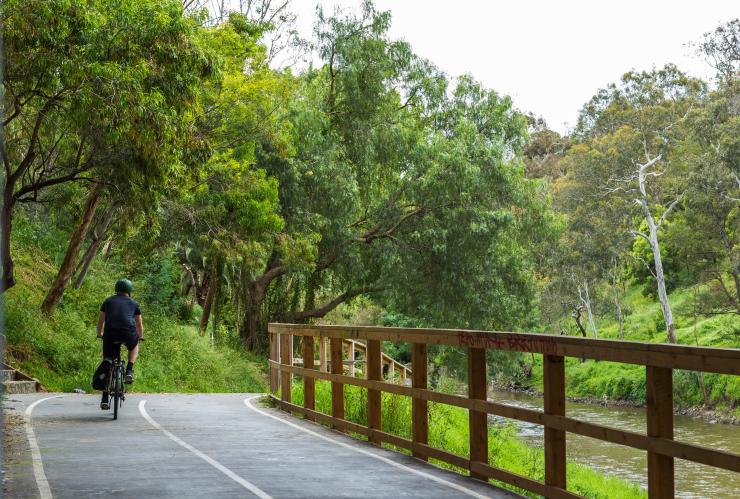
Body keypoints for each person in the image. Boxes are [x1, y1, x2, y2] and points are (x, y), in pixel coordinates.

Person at [92, 279, 143, 410]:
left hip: (111, 333)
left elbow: (100, 321)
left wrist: (100, 334)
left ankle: (104, 397)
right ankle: (129, 370)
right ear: (129, 290)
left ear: (116, 289)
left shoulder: (108, 301)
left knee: (108, 362)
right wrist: (140, 336)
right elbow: (138, 324)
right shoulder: (134, 303)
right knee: (134, 344)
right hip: (128, 332)